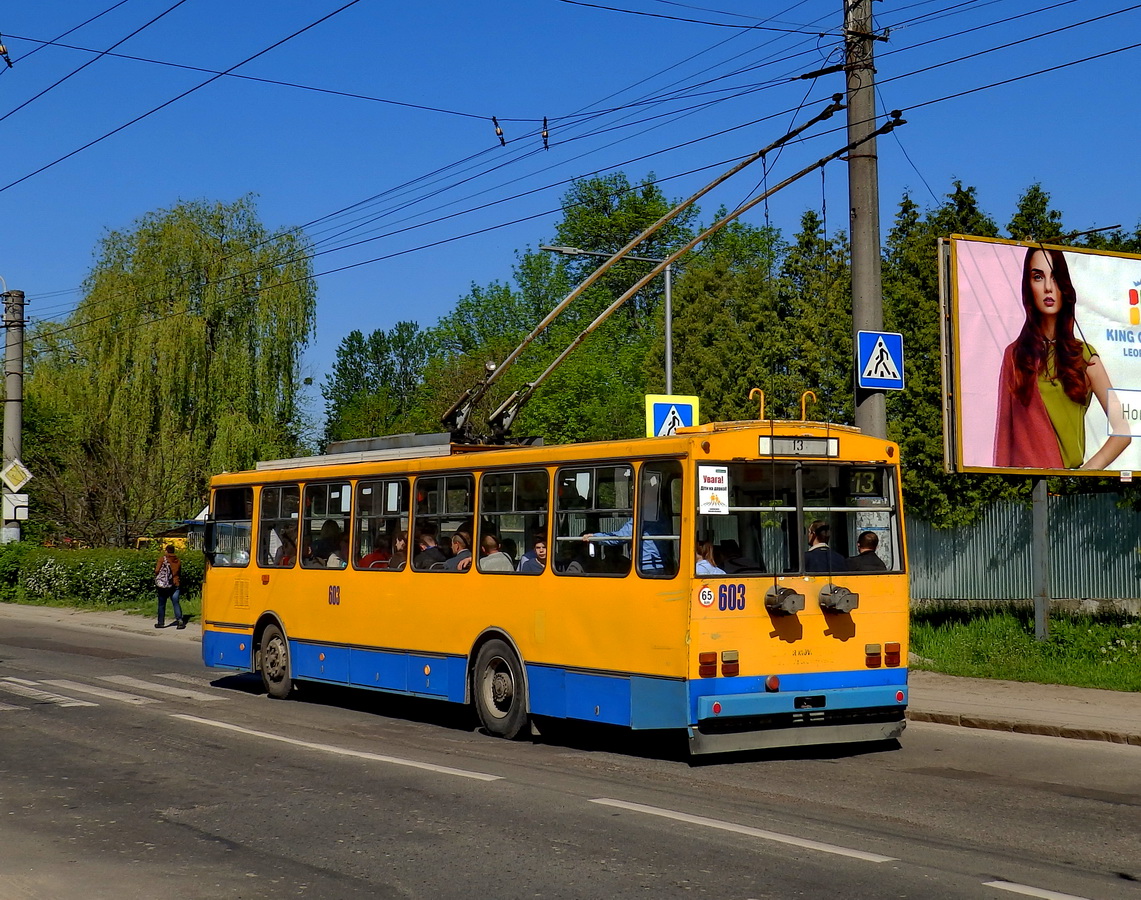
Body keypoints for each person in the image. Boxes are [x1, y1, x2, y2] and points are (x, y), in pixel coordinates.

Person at [994, 246, 1131, 469]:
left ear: (1065, 286)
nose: (1048, 287)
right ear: (1028, 286)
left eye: (1055, 277)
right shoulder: (1015, 354)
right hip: (1024, 483)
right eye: (1038, 277)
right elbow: (1004, 436)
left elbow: (1122, 430)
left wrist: (1083, 475)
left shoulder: (1084, 355)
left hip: (1067, 481)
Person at [154, 544, 184, 629]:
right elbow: (179, 572)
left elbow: (157, 570)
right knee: (176, 603)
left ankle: (161, 623)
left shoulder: (162, 559)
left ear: (166, 551)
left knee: (162, 604)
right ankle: (180, 621)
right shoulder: (177, 560)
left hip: (164, 585)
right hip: (175, 583)